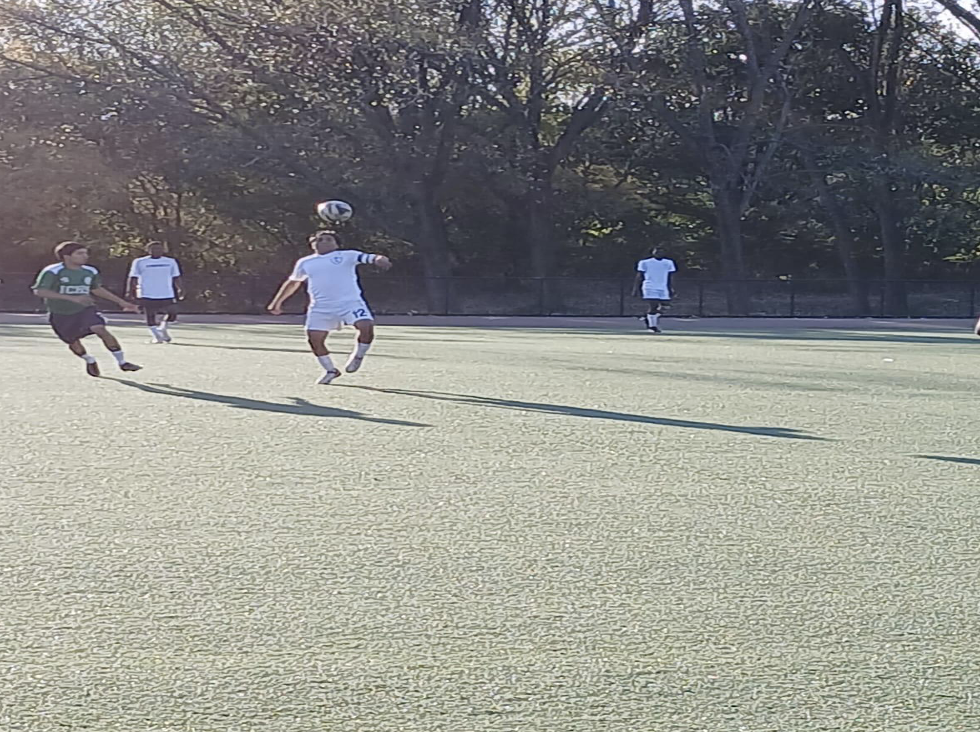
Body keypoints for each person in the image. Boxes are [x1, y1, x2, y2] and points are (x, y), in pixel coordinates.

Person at [266, 230, 392, 384]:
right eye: (318, 239)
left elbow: (372, 257)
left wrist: (380, 259)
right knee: (314, 339)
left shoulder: (348, 255)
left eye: (327, 239)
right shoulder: (305, 262)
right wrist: (277, 302)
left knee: (366, 326)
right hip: (320, 307)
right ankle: (330, 370)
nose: (322, 241)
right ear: (312, 244)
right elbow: (293, 282)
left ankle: (358, 355)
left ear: (336, 244)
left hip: (350, 302)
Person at [32, 241, 142, 376]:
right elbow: (40, 291)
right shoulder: (52, 271)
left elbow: (96, 289)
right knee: (73, 342)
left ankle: (122, 362)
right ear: (67, 256)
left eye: (85, 253)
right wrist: (72, 298)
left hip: (85, 309)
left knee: (100, 328)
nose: (85, 256)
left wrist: (122, 303)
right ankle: (89, 360)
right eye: (80, 253)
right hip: (60, 314)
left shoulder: (90, 271)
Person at [127, 241, 183, 343]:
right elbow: (133, 277)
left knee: (173, 313)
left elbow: (176, 276)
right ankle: (156, 336)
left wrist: (180, 289)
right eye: (154, 249)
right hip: (147, 293)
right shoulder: (140, 262)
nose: (157, 251)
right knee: (150, 316)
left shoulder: (170, 262)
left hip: (166, 293)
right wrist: (130, 292)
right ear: (148, 250)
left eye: (159, 249)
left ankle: (163, 328)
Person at [632, 246, 677, 333]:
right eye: (656, 251)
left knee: (666, 306)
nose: (658, 253)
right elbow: (639, 276)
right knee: (653, 306)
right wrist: (635, 289)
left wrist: (672, 288)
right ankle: (653, 326)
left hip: (663, 287)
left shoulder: (668, 263)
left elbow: (671, 276)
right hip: (650, 286)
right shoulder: (645, 262)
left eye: (661, 251)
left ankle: (648, 317)